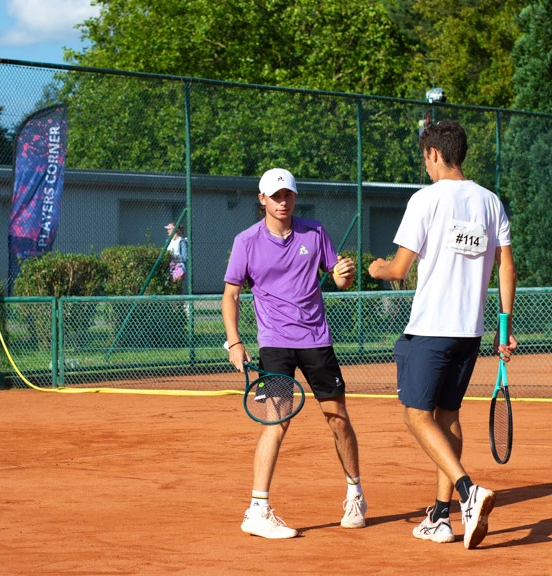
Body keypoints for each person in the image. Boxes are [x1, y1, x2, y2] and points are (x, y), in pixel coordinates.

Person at [368, 120, 517, 549]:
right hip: (469, 334)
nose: (426, 167)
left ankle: (468, 493)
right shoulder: (491, 202)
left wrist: (375, 267)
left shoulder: (425, 200)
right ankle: (439, 515)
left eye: (425, 160)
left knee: (416, 415)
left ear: (434, 154)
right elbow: (506, 266)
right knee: (448, 416)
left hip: (430, 330)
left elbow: (398, 270)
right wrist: (503, 329)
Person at [222, 167, 366, 539]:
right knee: (277, 421)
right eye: (275, 196)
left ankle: (355, 495)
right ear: (262, 200)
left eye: (287, 195)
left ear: (294, 197)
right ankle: (257, 509)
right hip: (275, 342)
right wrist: (235, 341)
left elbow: (337, 277)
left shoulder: (314, 232)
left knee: (338, 419)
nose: (282, 201)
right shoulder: (246, 241)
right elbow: (231, 294)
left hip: (317, 340)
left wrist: (344, 275)